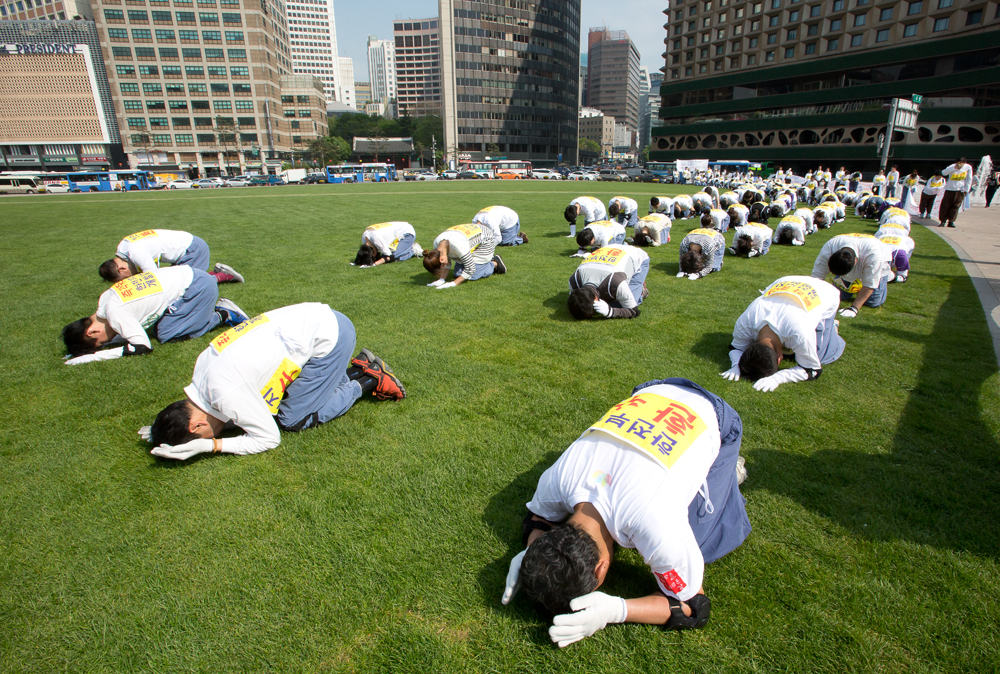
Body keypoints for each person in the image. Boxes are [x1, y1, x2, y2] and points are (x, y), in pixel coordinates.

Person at [500, 378, 751, 646]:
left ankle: (724, 470)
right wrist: (533, 552)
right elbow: (538, 520)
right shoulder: (555, 483)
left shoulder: (653, 525)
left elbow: (693, 605)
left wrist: (618, 610)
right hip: (651, 392)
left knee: (702, 543)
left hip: (716, 416)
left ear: (601, 570)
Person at [142, 303, 405, 460]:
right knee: (283, 403)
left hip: (331, 336)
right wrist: (161, 428)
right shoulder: (202, 372)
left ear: (197, 425)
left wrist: (209, 445)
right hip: (314, 318)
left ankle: (369, 378)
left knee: (293, 419)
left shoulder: (226, 394)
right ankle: (357, 370)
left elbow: (269, 438)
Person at [62, 266, 247, 364]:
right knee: (162, 329)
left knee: (168, 335)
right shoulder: (104, 301)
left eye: (102, 342)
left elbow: (142, 347)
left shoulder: (115, 314)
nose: (107, 341)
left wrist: (93, 356)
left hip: (199, 287)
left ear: (91, 332)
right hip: (192, 276)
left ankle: (224, 314)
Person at [721, 275, 845, 392]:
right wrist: (737, 365)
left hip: (825, 292)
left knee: (820, 356)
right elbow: (736, 347)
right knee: (799, 351)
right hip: (786, 282)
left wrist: (778, 377)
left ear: (780, 359)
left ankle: (832, 330)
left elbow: (813, 370)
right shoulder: (745, 321)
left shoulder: (799, 332)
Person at [99, 229, 243, 284]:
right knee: (179, 281)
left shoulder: (136, 252)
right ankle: (218, 273)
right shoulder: (123, 247)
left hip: (193, 249)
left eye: (126, 278)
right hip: (187, 245)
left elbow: (156, 280)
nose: (132, 278)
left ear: (121, 269)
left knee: (189, 284)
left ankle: (224, 275)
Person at [810, 233, 892, 317]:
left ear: (855, 261)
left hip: (881, 260)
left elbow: (870, 285)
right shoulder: (829, 248)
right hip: (856, 255)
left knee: (873, 302)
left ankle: (886, 276)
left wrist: (854, 308)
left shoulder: (874, 254)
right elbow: (816, 278)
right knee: (840, 296)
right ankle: (857, 283)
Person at [567, 244, 649, 320]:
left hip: (638, 257)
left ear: (595, 300)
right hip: (609, 250)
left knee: (627, 302)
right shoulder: (574, 281)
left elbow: (634, 311)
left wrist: (611, 312)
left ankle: (641, 290)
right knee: (610, 301)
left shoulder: (615, 283)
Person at [423, 223, 505, 289]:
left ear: (441, 260)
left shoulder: (458, 245)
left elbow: (471, 269)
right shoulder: (437, 246)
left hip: (486, 239)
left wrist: (453, 284)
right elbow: (446, 261)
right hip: (468, 237)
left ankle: (494, 263)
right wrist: (442, 279)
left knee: (473, 275)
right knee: (458, 274)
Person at [354, 221, 424, 267]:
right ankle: (406, 248)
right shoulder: (365, 237)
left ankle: (414, 251)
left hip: (408, 233)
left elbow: (390, 257)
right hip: (401, 230)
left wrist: (374, 264)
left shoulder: (376, 239)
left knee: (395, 257)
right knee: (384, 256)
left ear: (373, 254)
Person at [939, 158, 973, 228]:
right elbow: (943, 173)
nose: (959, 165)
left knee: (956, 206)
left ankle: (951, 221)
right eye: (958, 163)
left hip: (960, 189)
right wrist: (953, 168)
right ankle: (943, 221)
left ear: (964, 163)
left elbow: (969, 179)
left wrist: (967, 189)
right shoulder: (952, 166)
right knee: (945, 205)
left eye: (961, 163)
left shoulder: (968, 167)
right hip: (950, 189)